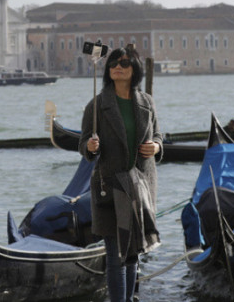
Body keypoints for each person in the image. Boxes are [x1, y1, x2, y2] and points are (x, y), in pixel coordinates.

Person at [79, 46, 162, 302]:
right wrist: (90, 147)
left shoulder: (147, 102)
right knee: (116, 257)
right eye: (113, 62)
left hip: (140, 187)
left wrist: (157, 146)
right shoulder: (96, 105)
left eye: (124, 63)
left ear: (134, 69)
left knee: (132, 254)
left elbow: (159, 135)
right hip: (111, 188)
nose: (117, 66)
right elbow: (83, 145)